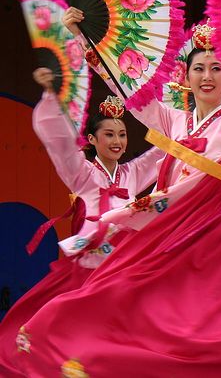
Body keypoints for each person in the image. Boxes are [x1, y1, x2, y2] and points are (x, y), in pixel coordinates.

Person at [15, 0, 221, 377]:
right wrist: (84, 37)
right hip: (169, 236)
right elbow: (131, 93)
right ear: (186, 76)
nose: (207, 76)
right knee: (120, 297)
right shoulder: (173, 119)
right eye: (198, 68)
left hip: (215, 242)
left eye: (216, 68)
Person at [0, 68, 163, 377]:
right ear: (91, 139)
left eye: (122, 134)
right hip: (89, 269)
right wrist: (51, 94)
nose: (117, 141)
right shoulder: (82, 173)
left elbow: (163, 153)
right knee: (72, 336)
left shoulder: (132, 174)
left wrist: (187, 111)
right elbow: (60, 144)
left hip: (124, 269)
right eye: (109, 134)